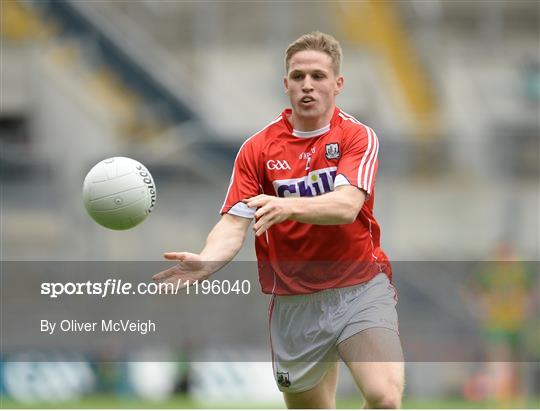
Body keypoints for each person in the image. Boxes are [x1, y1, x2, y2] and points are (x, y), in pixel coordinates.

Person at [153, 31, 404, 409]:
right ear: (285, 83)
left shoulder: (356, 137)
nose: (307, 85)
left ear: (337, 84)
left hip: (359, 287)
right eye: (298, 76)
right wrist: (207, 260)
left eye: (318, 76)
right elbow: (234, 223)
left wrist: (287, 206)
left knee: (384, 397)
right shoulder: (258, 149)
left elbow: (346, 205)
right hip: (294, 302)